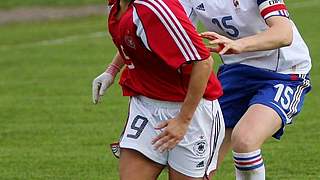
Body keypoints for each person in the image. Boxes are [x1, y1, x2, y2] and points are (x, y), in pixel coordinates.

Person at [179, 0, 312, 179]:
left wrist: (239, 45)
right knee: (199, 153)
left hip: (283, 73)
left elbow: (283, 33)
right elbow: (177, 34)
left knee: (245, 140)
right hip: (236, 72)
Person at [92, 0, 225, 179]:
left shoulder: (155, 9)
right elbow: (132, 37)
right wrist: (112, 70)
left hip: (192, 111)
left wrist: (183, 120)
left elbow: (203, 62)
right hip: (145, 107)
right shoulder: (117, 5)